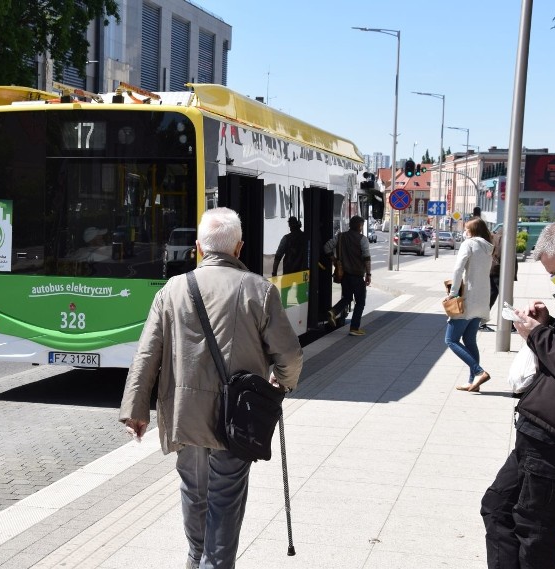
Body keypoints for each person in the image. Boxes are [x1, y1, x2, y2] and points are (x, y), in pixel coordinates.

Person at [119, 207, 303, 569]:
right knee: (224, 508)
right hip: (235, 422)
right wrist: (283, 383)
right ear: (239, 249)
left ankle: (195, 560)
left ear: (199, 247)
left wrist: (136, 410)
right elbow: (291, 356)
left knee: (194, 499)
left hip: (184, 419)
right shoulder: (259, 290)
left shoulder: (172, 289)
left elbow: (147, 354)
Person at [481, 221, 555, 569]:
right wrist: (546, 325)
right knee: (496, 508)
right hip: (538, 427)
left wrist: (537, 335)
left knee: (535, 531)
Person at [448, 217, 494, 392]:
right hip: (482, 299)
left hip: (467, 299)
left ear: (473, 231)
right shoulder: (488, 248)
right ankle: (472, 382)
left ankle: (479, 372)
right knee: (469, 340)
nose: (465, 232)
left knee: (451, 339)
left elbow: (458, 269)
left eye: (467, 229)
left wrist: (452, 293)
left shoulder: (469, 244)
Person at [323, 215, 371, 336]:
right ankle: (354, 328)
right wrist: (368, 274)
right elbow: (366, 257)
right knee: (360, 302)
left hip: (344, 275)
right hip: (357, 275)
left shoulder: (340, 236)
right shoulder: (362, 239)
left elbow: (326, 247)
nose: (362, 228)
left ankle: (333, 312)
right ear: (359, 226)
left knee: (347, 298)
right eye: (362, 225)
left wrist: (333, 259)